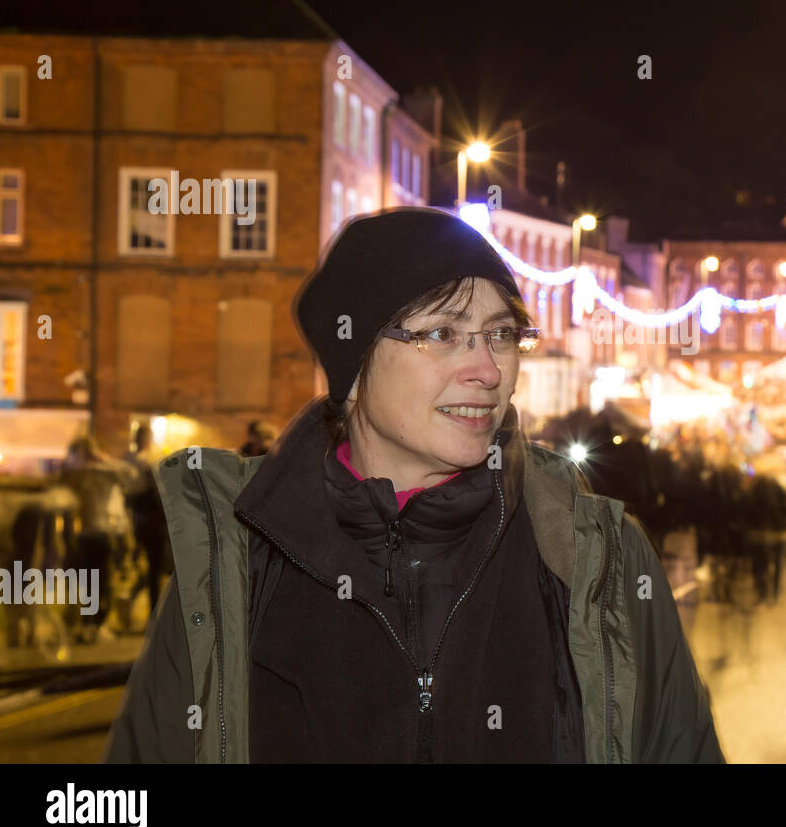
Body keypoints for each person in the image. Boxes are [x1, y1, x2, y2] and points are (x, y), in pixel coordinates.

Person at [103, 207, 723, 763]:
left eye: (502, 334)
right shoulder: (229, 566)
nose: (486, 370)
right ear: (355, 361)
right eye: (442, 334)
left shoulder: (600, 561)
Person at [61, 435, 139, 643]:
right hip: (91, 535)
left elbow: (131, 474)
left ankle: (95, 624)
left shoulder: (100, 473)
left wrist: (100, 460)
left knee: (98, 581)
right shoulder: (85, 475)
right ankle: (91, 624)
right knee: (93, 582)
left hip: (100, 534)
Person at [123, 425, 170, 625]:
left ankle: (141, 607)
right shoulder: (146, 462)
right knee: (153, 567)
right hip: (148, 519)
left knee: (144, 567)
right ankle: (152, 611)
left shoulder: (128, 460)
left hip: (136, 518)